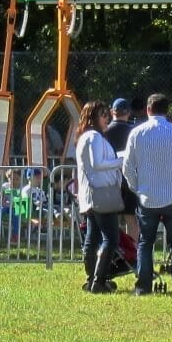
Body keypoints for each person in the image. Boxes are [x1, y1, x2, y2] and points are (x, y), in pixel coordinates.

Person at [121, 93, 172, 296]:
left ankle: (143, 286)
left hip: (147, 197)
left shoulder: (137, 133)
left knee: (145, 243)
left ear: (148, 109)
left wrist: (137, 187)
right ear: (167, 110)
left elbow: (127, 167)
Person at [75, 100, 125, 293]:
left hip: (90, 194)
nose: (107, 119)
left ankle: (92, 279)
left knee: (92, 237)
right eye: (103, 115)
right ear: (93, 117)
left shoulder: (85, 137)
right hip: (101, 193)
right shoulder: (94, 136)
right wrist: (120, 161)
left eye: (107, 114)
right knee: (110, 238)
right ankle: (99, 280)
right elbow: (98, 163)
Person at [102, 97, 141, 241]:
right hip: (130, 177)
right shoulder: (134, 132)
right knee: (131, 217)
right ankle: (134, 249)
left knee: (113, 217)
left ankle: (114, 248)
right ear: (128, 113)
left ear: (112, 111)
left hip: (111, 177)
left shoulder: (105, 131)